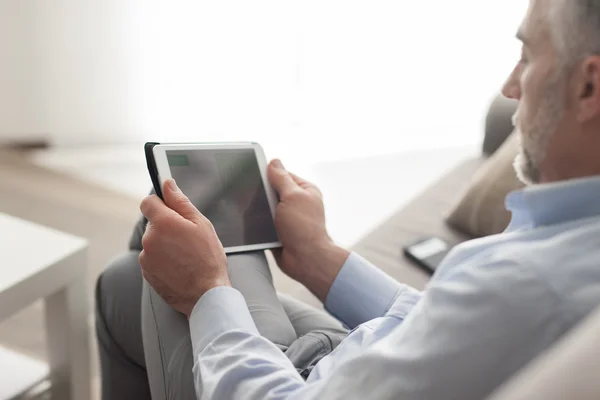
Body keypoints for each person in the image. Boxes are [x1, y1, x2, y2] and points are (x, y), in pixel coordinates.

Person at [95, 0, 600, 399]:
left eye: (528, 57)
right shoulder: (569, 243)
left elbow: (491, 312)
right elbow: (452, 329)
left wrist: (206, 291)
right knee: (126, 281)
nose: (511, 87)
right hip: (363, 363)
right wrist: (320, 257)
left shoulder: (530, 289)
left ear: (589, 86)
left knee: (175, 212)